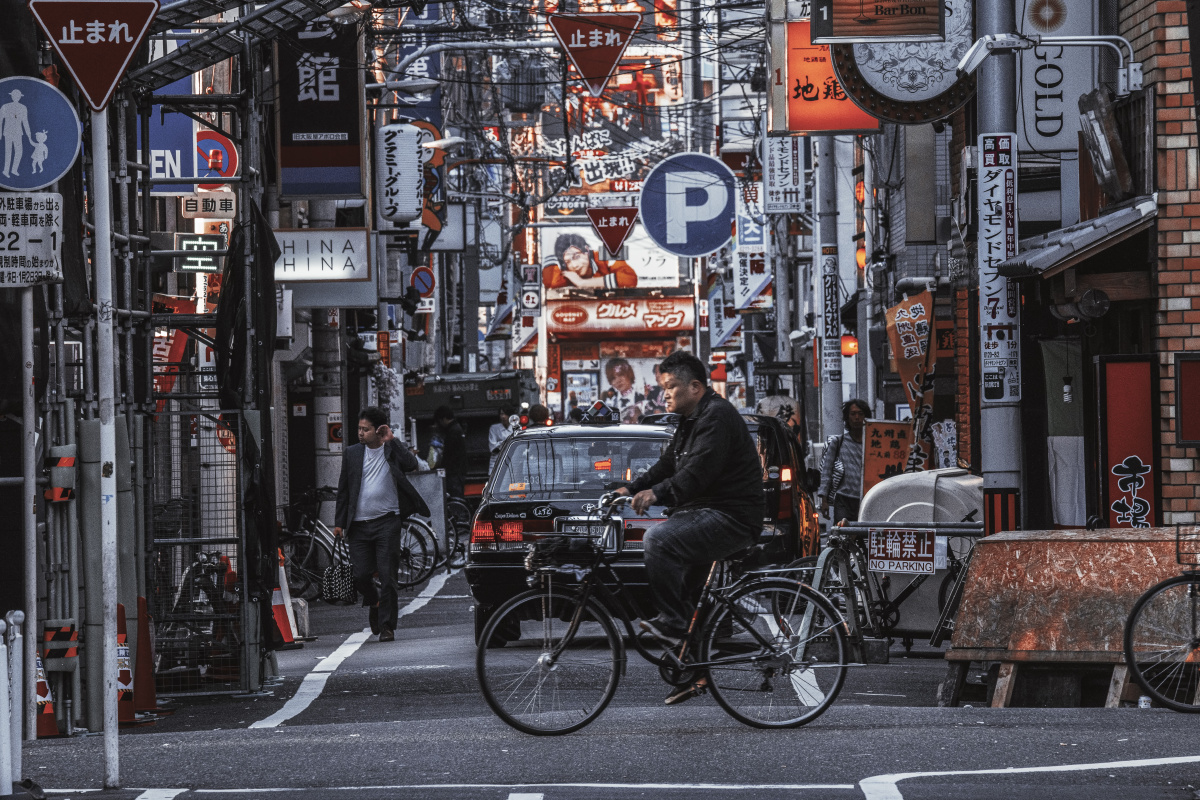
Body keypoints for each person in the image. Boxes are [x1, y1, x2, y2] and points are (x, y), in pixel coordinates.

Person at [617, 351, 764, 704]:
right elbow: (667, 464)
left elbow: (696, 472)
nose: (664, 394)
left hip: (731, 516)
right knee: (689, 597)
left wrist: (657, 494)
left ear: (695, 387)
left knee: (658, 540)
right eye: (663, 387)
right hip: (703, 513)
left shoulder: (717, 417)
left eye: (670, 386)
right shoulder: (689, 419)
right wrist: (631, 488)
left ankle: (673, 622)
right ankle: (694, 671)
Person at [334, 407, 431, 642]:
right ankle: (374, 600)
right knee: (360, 575)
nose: (360, 433)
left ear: (379, 430)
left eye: (365, 429)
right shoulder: (352, 453)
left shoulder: (391, 450)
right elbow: (344, 489)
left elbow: (411, 464)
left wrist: (393, 439)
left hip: (387, 522)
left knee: (388, 576)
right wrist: (339, 522)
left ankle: (387, 626)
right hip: (358, 525)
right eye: (359, 429)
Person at [818, 399, 869, 525]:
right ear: (847, 417)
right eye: (853, 414)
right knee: (842, 532)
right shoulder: (838, 442)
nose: (857, 418)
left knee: (864, 533)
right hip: (843, 499)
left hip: (867, 499)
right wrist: (824, 500)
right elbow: (826, 471)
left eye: (860, 414)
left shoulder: (872, 443)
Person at [542, 232, 638, 290]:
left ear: (587, 251)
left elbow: (630, 279)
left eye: (577, 257)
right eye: (568, 262)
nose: (574, 265)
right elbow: (550, 282)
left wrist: (582, 283)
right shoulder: (568, 273)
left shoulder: (604, 256)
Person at [432, 405, 467, 498]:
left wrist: (442, 467)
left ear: (444, 419)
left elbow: (448, 454)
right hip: (459, 471)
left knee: (454, 497)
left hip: (453, 473)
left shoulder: (452, 432)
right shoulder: (457, 428)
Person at [488, 405, 515, 473]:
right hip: (496, 463)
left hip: (512, 462)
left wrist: (500, 443)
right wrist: (509, 442)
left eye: (506, 414)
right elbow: (493, 448)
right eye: (501, 414)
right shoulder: (494, 428)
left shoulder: (516, 428)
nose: (503, 416)